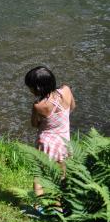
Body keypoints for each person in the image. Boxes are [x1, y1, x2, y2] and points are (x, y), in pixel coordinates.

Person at [25, 66, 75, 196]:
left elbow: (34, 124)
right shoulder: (66, 91)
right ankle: (64, 196)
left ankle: (39, 203)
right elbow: (72, 107)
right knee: (63, 168)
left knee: (39, 173)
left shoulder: (38, 106)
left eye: (30, 87)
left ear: (38, 88)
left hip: (46, 142)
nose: (29, 90)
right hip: (64, 140)